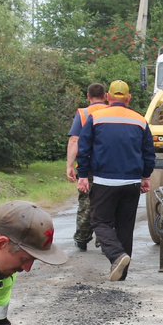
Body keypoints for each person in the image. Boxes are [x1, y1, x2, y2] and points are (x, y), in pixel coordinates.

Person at [76, 79, 155, 281]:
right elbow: (148, 153)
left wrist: (83, 175)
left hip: (104, 181)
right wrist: (146, 176)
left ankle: (117, 255)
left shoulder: (95, 117)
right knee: (125, 227)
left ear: (108, 97)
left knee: (99, 221)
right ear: (128, 98)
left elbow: (84, 149)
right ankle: (120, 274)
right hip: (131, 183)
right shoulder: (140, 120)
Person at [66, 83, 109, 251]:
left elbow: (74, 140)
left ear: (88, 96)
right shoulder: (111, 113)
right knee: (106, 202)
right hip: (108, 166)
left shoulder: (83, 114)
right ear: (105, 96)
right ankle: (103, 236)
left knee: (86, 202)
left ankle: (82, 238)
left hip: (87, 166)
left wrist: (70, 165)